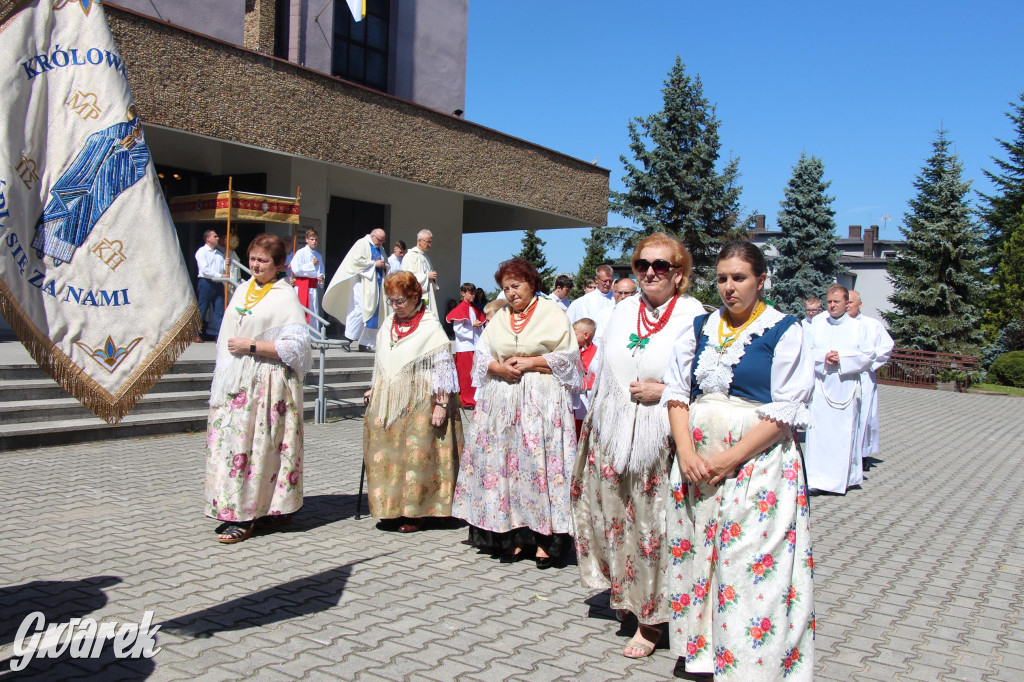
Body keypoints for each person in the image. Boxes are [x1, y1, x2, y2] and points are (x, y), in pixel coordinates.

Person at [661, 240, 815, 679]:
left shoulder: (785, 330)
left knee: (747, 562)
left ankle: (749, 660)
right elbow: (676, 394)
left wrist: (729, 458)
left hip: (757, 464)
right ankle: (704, 653)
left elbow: (785, 412)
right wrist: (686, 452)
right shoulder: (699, 328)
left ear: (761, 279)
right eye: (723, 278)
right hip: (697, 467)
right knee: (697, 557)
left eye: (740, 278)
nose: (729, 287)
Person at [571, 233, 706, 659]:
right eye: (642, 265)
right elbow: (606, 370)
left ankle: (653, 620)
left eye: (661, 266)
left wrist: (664, 391)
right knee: (614, 519)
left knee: (653, 527)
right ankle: (626, 599)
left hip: (661, 436)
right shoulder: (623, 309)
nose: (650, 272)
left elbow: (704, 380)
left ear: (678, 274)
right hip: (613, 430)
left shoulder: (693, 314)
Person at [452, 258, 583, 569]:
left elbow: (569, 358)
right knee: (506, 466)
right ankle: (512, 536)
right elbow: (482, 355)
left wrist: (531, 363)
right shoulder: (500, 318)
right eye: (505, 288)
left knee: (537, 465)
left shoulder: (553, 313)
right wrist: (497, 366)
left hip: (541, 402)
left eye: (516, 286)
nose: (511, 293)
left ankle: (544, 540)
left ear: (532, 284)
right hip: (502, 402)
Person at [204, 234, 312, 543]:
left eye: (263, 260)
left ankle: (249, 514)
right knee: (231, 445)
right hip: (236, 380)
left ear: (280, 264)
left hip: (267, 382)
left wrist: (251, 345)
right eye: (252, 258)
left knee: (257, 448)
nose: (255, 264)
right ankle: (238, 507)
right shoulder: (242, 289)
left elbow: (298, 348)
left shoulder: (285, 295)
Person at [362, 271, 463, 533]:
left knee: (418, 454)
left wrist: (441, 404)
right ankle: (390, 507)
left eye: (401, 301)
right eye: (392, 301)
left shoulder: (430, 325)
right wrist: (375, 388)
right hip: (391, 399)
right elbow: (382, 360)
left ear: (415, 297)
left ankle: (417, 511)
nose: (396, 306)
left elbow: (443, 367)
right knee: (387, 451)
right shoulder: (389, 325)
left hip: (422, 397)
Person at [804, 284, 875, 494]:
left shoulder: (858, 327)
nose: (832, 306)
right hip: (822, 384)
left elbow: (868, 355)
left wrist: (842, 358)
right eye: (829, 302)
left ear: (846, 303)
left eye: (837, 302)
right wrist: (823, 357)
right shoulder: (816, 323)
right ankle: (816, 479)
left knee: (844, 433)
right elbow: (806, 350)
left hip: (846, 385)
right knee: (818, 434)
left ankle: (844, 479)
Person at [846, 290, 894, 460]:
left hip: (863, 376)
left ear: (860, 304)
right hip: (842, 377)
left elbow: (886, 346)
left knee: (864, 415)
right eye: (845, 302)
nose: (847, 306)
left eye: (851, 302)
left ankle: (862, 453)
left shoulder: (872, 325)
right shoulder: (836, 324)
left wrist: (869, 364)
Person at [322, 229, 387, 351]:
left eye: (383, 241)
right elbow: (356, 262)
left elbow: (385, 262)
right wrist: (374, 264)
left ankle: (365, 342)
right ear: (373, 236)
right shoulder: (361, 243)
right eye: (380, 240)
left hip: (376, 284)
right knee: (360, 309)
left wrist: (384, 265)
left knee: (374, 313)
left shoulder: (380, 248)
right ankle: (347, 338)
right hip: (361, 282)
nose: (381, 243)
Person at [446, 283, 485, 409]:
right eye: (470, 293)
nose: (473, 295)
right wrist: (473, 327)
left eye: (474, 293)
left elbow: (479, 324)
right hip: (465, 347)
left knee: (475, 374)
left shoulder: (474, 308)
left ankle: (474, 398)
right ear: (463, 293)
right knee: (465, 375)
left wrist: (479, 327)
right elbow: (458, 329)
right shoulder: (460, 309)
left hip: (474, 346)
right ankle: (466, 400)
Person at [195, 229, 226, 342]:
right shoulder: (202, 251)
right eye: (215, 236)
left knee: (219, 311)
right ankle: (196, 333)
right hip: (206, 282)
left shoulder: (219, 253)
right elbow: (204, 269)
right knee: (203, 309)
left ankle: (219, 334)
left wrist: (226, 265)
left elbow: (222, 269)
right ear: (208, 238)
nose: (217, 238)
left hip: (217, 283)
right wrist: (219, 275)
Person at [290, 229, 326, 323]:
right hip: (302, 285)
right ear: (307, 240)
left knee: (313, 311)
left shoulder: (318, 255)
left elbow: (321, 270)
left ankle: (313, 335)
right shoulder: (300, 253)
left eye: (316, 240)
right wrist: (311, 264)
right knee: (301, 311)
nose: (314, 242)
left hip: (312, 288)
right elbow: (296, 269)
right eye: (312, 239)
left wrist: (321, 276)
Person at [401, 230, 439, 312]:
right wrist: (427, 276)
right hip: (415, 295)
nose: (430, 245)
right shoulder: (410, 256)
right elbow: (407, 277)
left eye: (431, 242)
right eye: (428, 242)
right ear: (419, 241)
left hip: (427, 294)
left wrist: (432, 277)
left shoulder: (426, 257)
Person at [571, 317, 597, 438]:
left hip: (589, 395)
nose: (572, 337)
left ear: (586, 335)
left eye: (575, 334)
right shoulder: (574, 351)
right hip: (577, 395)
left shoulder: (597, 353)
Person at [593, 277, 638, 347]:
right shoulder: (604, 314)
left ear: (636, 293)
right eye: (619, 293)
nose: (623, 297)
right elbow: (597, 339)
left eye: (627, 293)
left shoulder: (643, 313)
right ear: (614, 293)